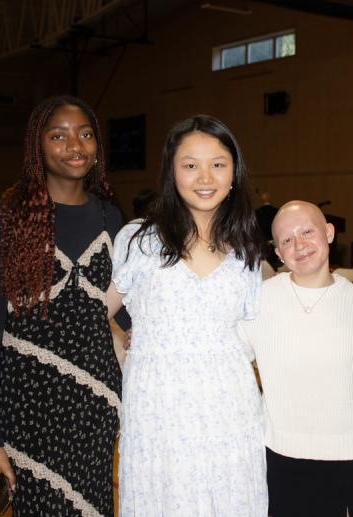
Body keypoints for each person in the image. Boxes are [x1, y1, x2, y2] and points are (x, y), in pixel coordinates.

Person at [106, 115, 266, 516]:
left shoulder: (246, 252)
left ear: (234, 173)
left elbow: (260, 334)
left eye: (218, 164)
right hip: (157, 411)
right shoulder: (140, 240)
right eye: (190, 165)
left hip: (230, 411)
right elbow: (95, 313)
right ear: (171, 172)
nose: (204, 177)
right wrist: (125, 351)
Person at [0, 95, 125, 515]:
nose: (75, 146)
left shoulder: (110, 217)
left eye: (85, 134)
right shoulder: (7, 215)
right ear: (37, 146)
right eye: (58, 136)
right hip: (28, 405)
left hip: (96, 402)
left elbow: (123, 307)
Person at [238, 200, 353, 517]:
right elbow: (223, 357)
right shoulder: (259, 301)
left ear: (328, 233)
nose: (299, 245)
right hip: (281, 456)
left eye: (307, 232)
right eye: (286, 240)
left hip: (351, 458)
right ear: (277, 253)